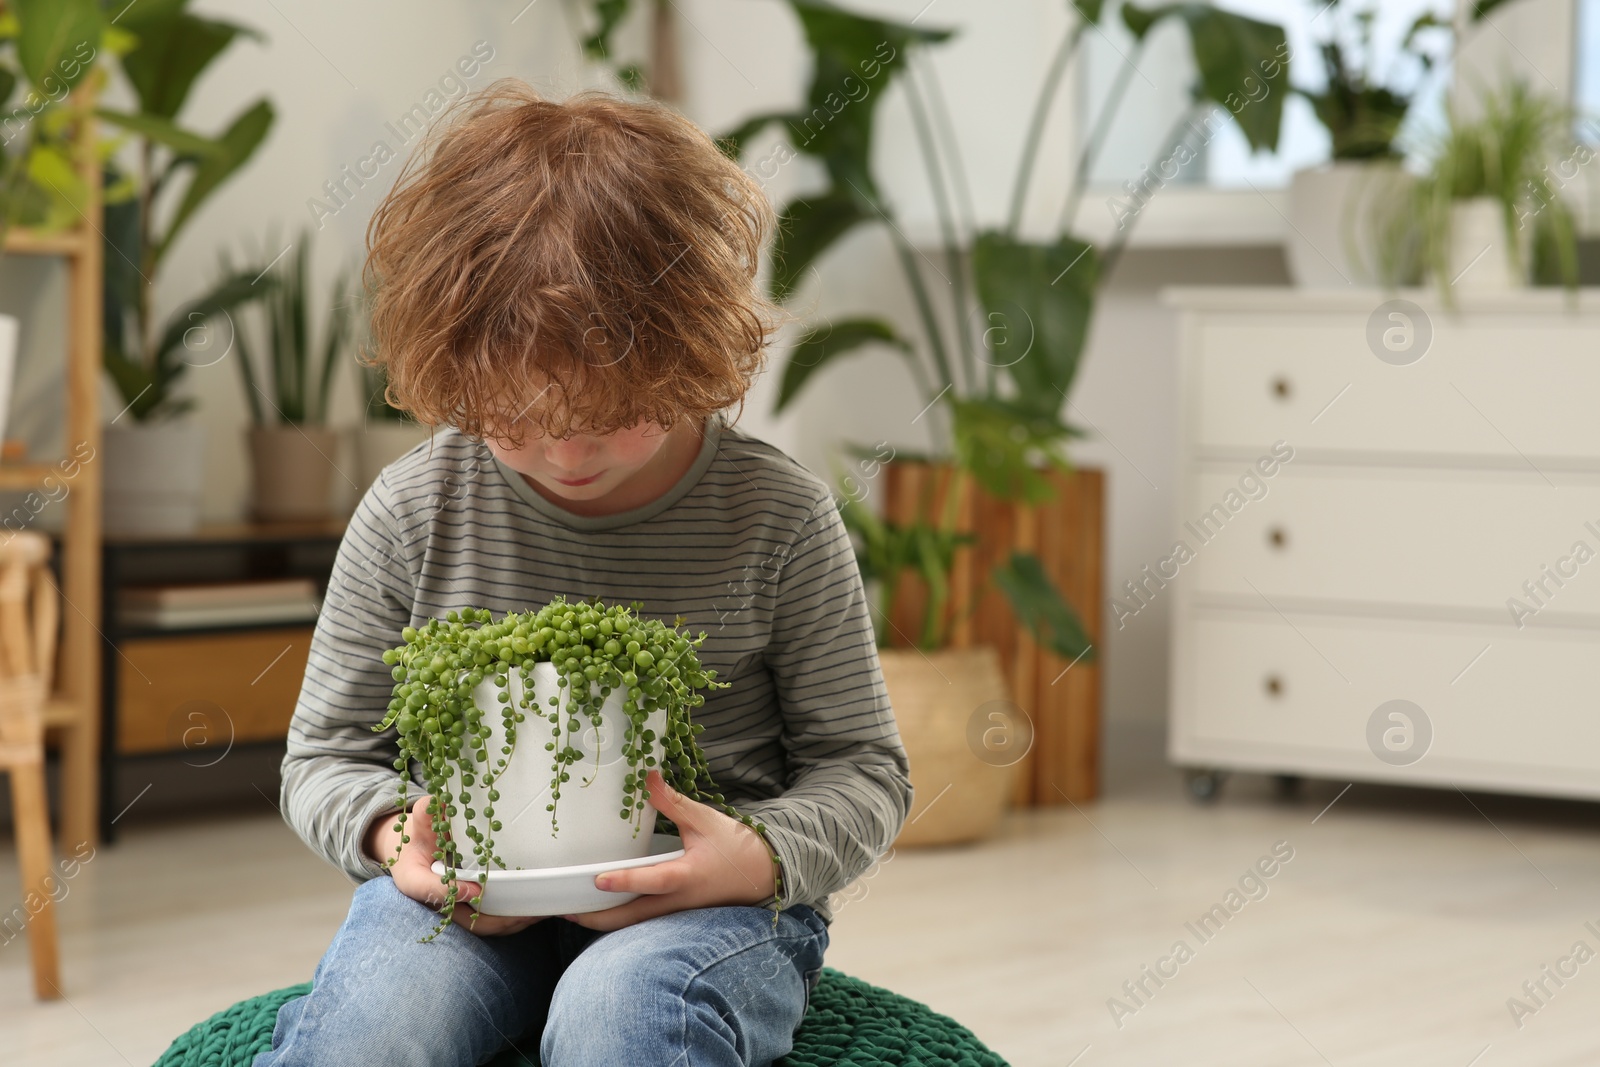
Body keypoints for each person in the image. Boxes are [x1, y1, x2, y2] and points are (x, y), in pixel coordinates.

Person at [254, 77, 913, 1067]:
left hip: (701, 907)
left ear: (687, 351)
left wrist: (759, 855)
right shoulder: (411, 511)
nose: (564, 456)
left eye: (609, 416)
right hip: (473, 900)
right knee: (366, 1030)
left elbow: (863, 768)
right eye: (513, 423)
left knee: (625, 1018)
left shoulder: (777, 516)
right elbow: (324, 757)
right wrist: (399, 842)